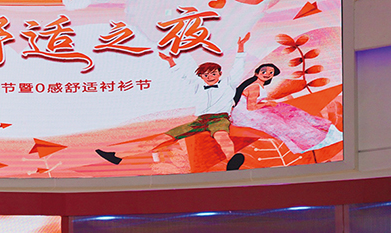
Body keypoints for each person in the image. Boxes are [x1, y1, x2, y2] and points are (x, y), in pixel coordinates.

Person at [96, 36, 250, 171]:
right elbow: (182, 76)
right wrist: (170, 61)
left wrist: (241, 47)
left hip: (219, 118)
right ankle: (118, 156)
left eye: (213, 73)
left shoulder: (229, 83)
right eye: (205, 75)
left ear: (220, 73)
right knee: (162, 138)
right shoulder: (197, 86)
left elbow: (238, 67)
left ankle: (232, 161)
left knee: (222, 136)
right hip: (199, 120)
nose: (210, 77)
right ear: (201, 77)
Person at [231, 63, 343, 154]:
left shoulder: (258, 85)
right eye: (264, 71)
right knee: (279, 121)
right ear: (256, 73)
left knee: (287, 110)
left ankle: (319, 131)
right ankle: (312, 139)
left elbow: (253, 103)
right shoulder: (254, 87)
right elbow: (251, 107)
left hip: (249, 111)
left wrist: (268, 104)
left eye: (271, 73)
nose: (267, 74)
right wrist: (268, 104)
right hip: (245, 115)